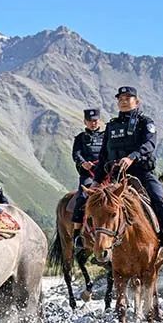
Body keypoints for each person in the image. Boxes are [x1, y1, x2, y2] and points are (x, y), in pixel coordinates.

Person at [91, 86, 163, 266]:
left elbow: (149, 144)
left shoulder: (145, 123)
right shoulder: (111, 126)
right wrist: (96, 181)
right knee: (97, 206)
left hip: (141, 172)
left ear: (136, 102)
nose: (123, 101)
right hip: (115, 176)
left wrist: (132, 157)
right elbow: (103, 157)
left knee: (158, 198)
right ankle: (96, 246)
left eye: (128, 98)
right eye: (120, 98)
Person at [71, 108, 104, 262]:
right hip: (88, 176)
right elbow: (76, 154)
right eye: (90, 121)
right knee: (83, 197)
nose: (93, 123)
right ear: (85, 122)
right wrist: (83, 163)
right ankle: (77, 235)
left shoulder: (106, 137)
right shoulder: (80, 138)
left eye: (95, 120)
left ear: (99, 121)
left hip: (104, 174)